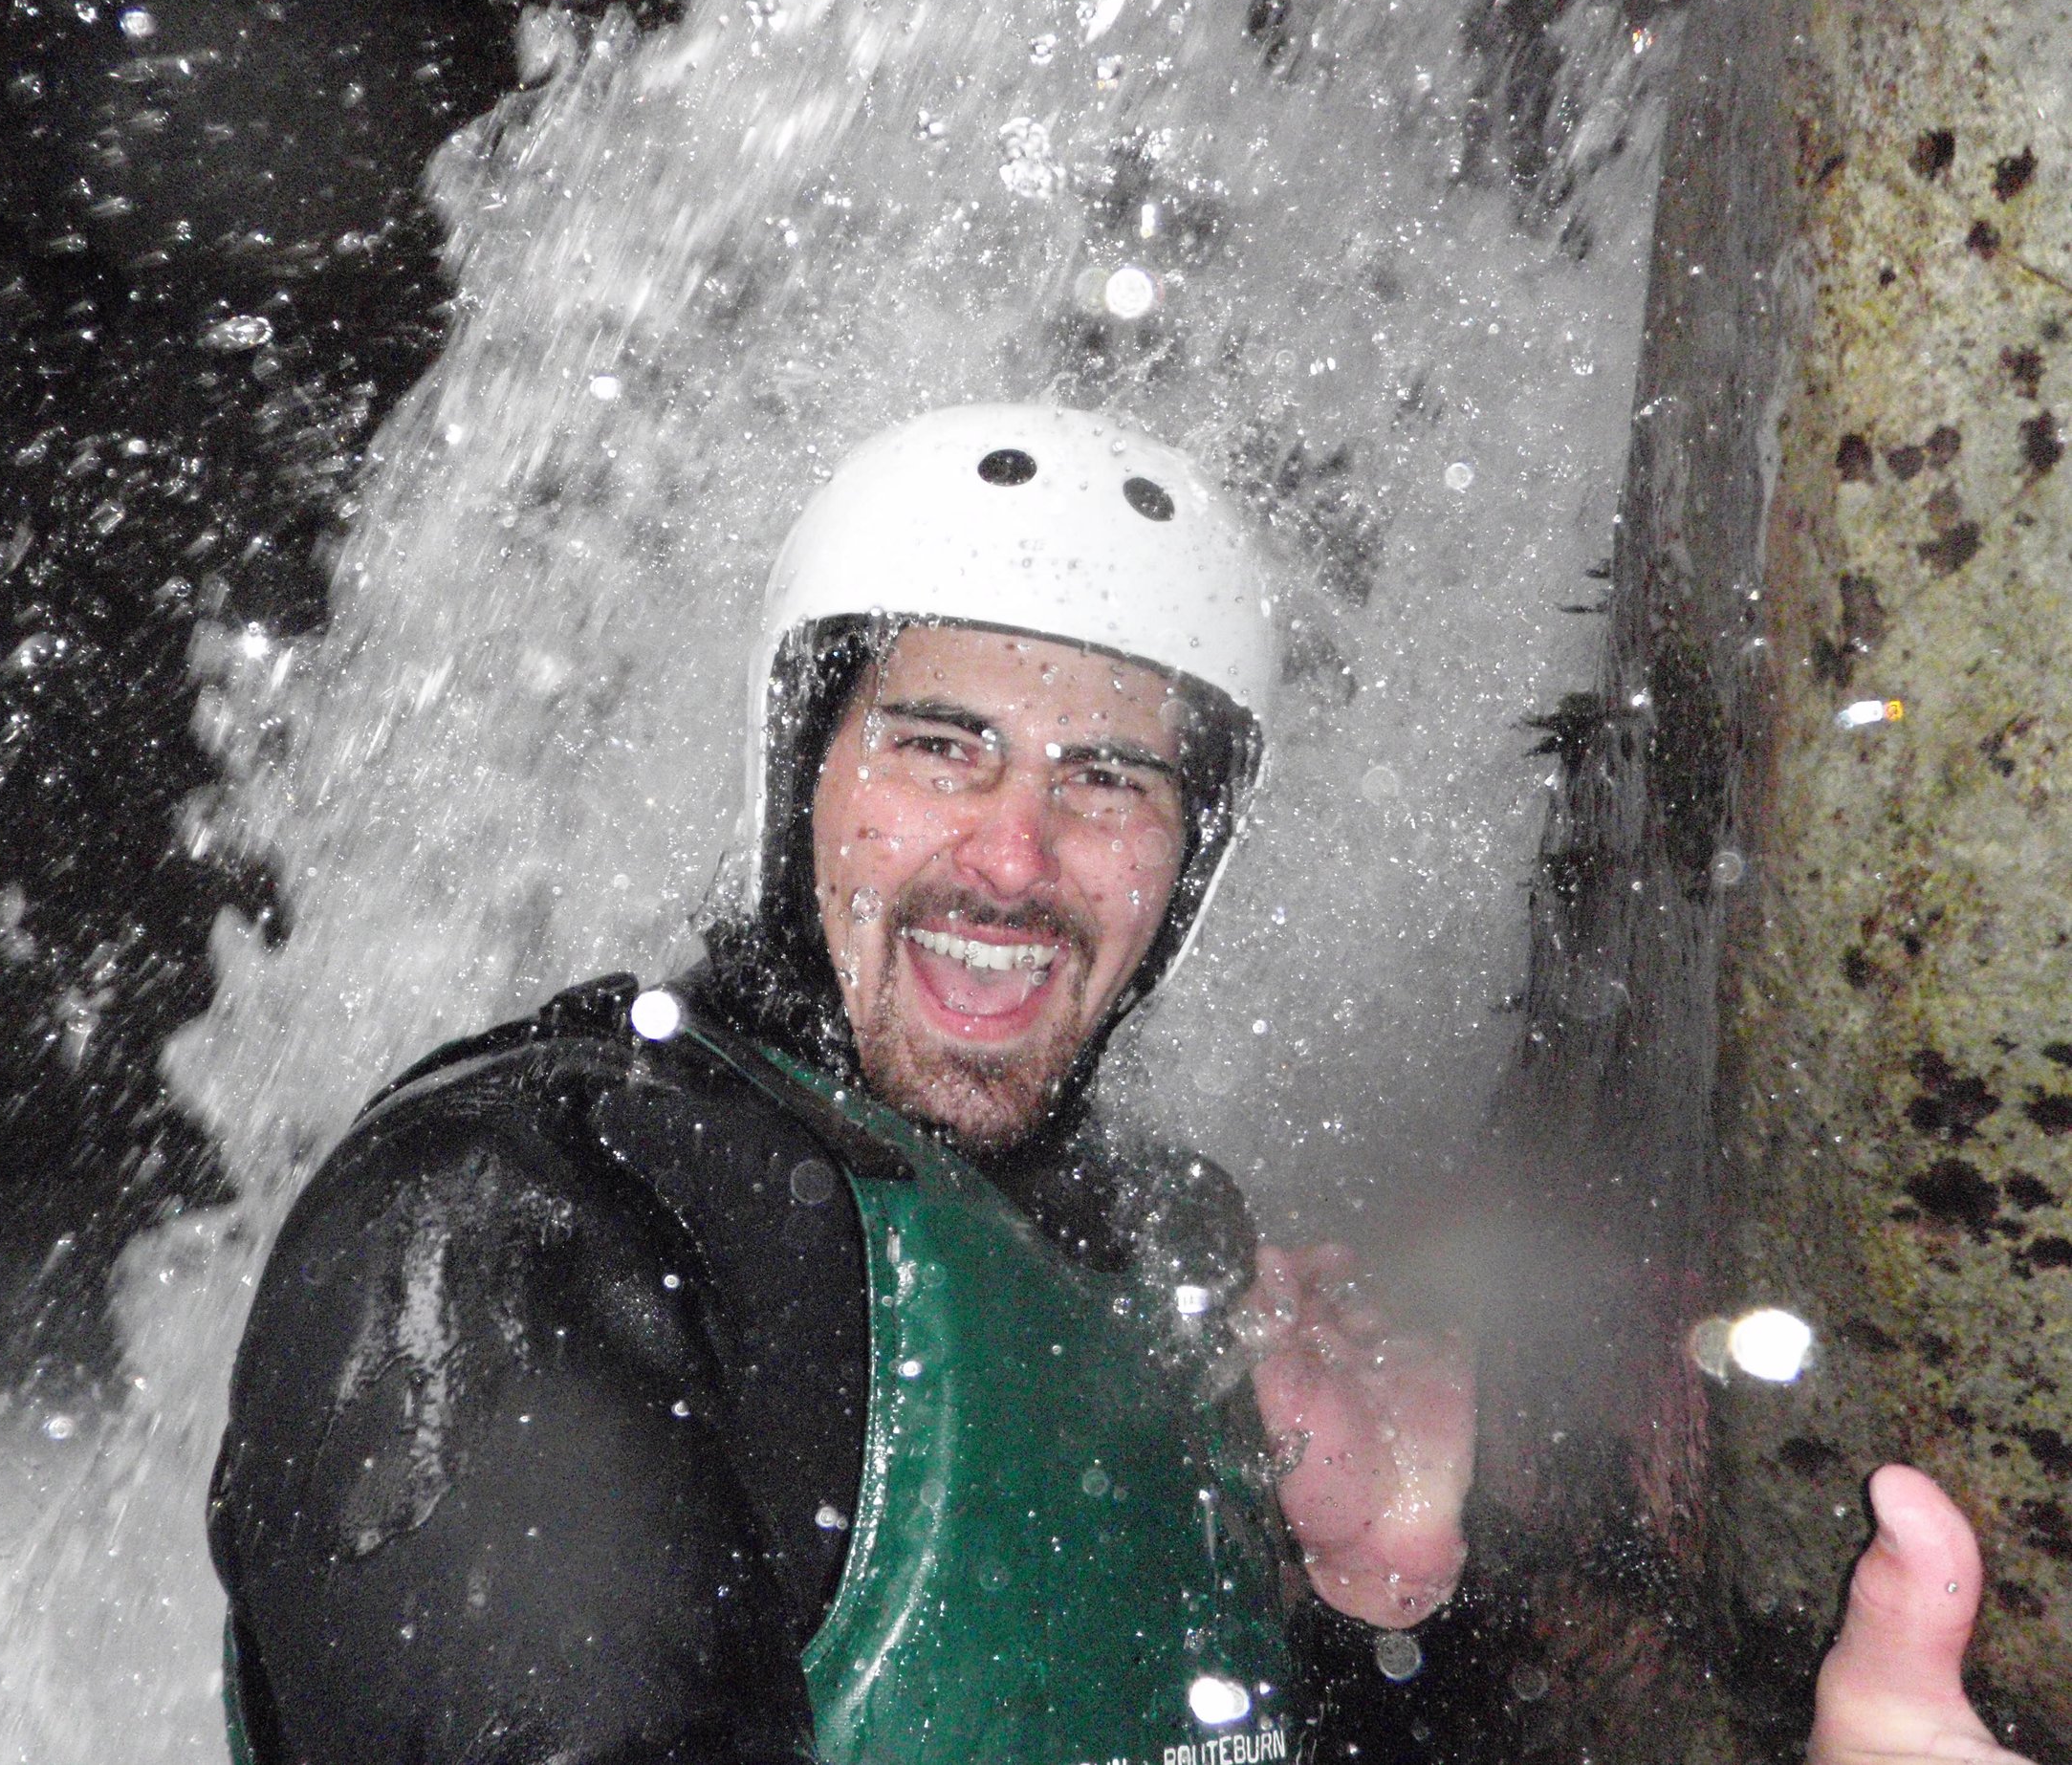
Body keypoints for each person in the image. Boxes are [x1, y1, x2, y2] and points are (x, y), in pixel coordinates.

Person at [207, 404, 2027, 1765]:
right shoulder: (509, 1225)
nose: (1013, 858)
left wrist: (1392, 1610)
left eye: (1110, 782)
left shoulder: (1159, 1246)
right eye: (940, 748)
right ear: (799, 780)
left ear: (1187, 867)